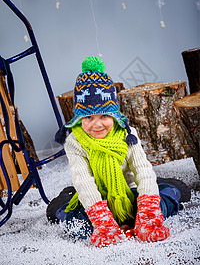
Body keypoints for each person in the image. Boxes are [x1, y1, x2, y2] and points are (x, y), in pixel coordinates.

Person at [47, 56, 191, 247]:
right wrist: (102, 222)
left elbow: (142, 170)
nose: (97, 124)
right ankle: (68, 196)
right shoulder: (75, 141)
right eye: (88, 117)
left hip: (127, 191)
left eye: (104, 115)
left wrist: (148, 212)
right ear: (79, 119)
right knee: (75, 223)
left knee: (175, 194)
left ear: (114, 115)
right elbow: (83, 180)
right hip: (95, 197)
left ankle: (160, 190)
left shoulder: (127, 134)